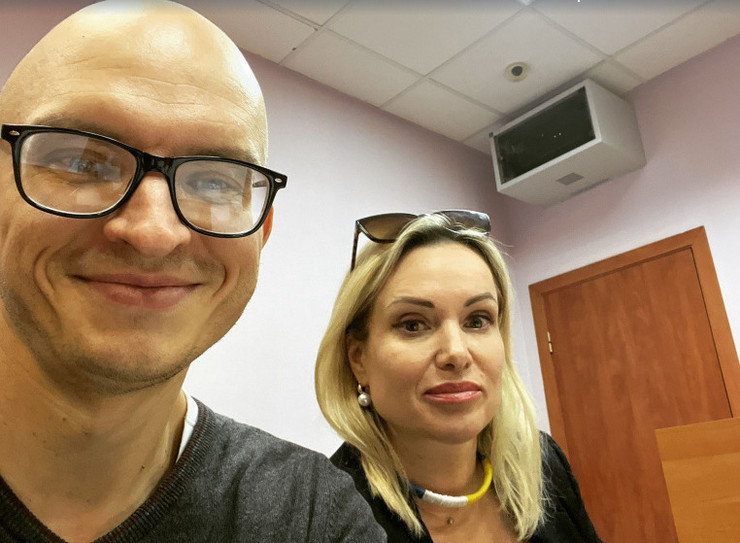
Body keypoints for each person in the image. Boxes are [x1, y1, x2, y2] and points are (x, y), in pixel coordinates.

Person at [0, 2, 386, 542]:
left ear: (261, 233)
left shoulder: (311, 517)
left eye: (213, 182)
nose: (153, 233)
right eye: (83, 161)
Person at [316, 211, 602, 542]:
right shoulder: (322, 517)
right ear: (358, 358)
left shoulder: (541, 462)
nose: (457, 353)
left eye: (477, 320)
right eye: (413, 324)